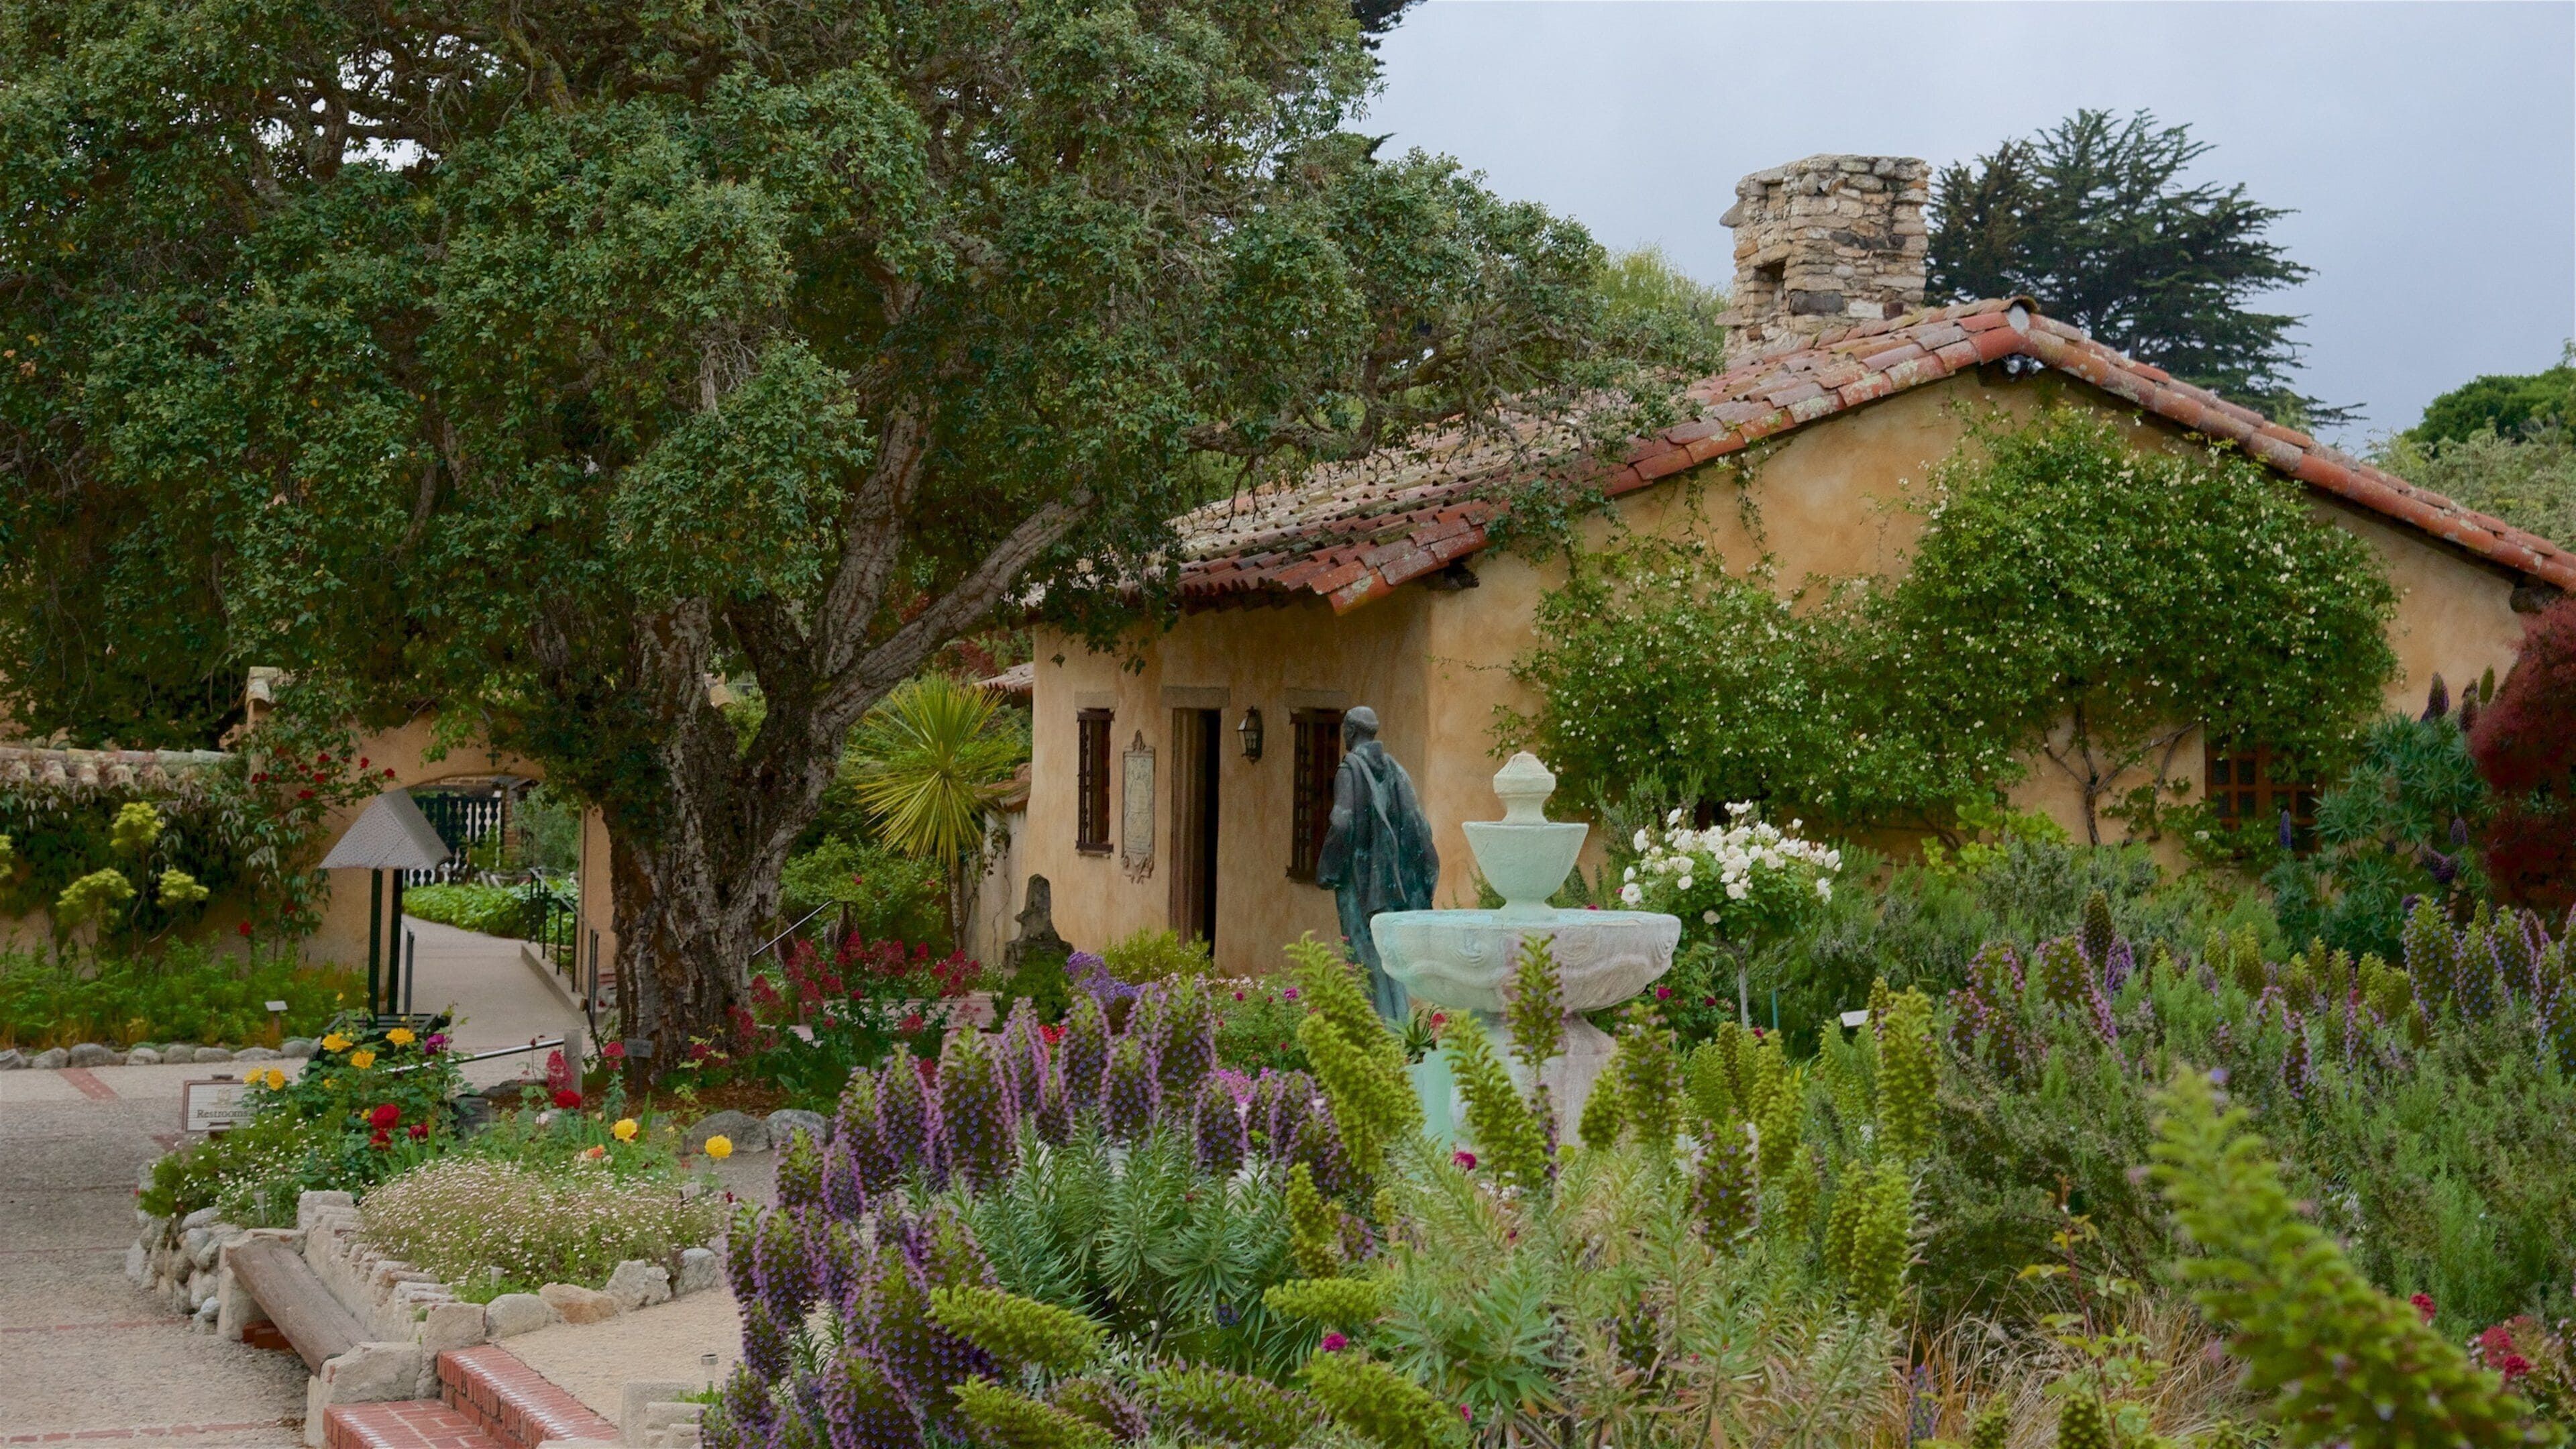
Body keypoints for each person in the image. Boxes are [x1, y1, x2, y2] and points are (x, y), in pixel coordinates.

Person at [1314, 706, 1440, 1022]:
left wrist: (1328, 868)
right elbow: (1419, 824)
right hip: (1392, 881)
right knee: (1389, 958)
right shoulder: (1396, 771)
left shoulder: (1350, 770)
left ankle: (1374, 1035)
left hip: (1358, 881)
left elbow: (1342, 823)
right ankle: (1399, 1033)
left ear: (1351, 731)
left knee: (1363, 958)